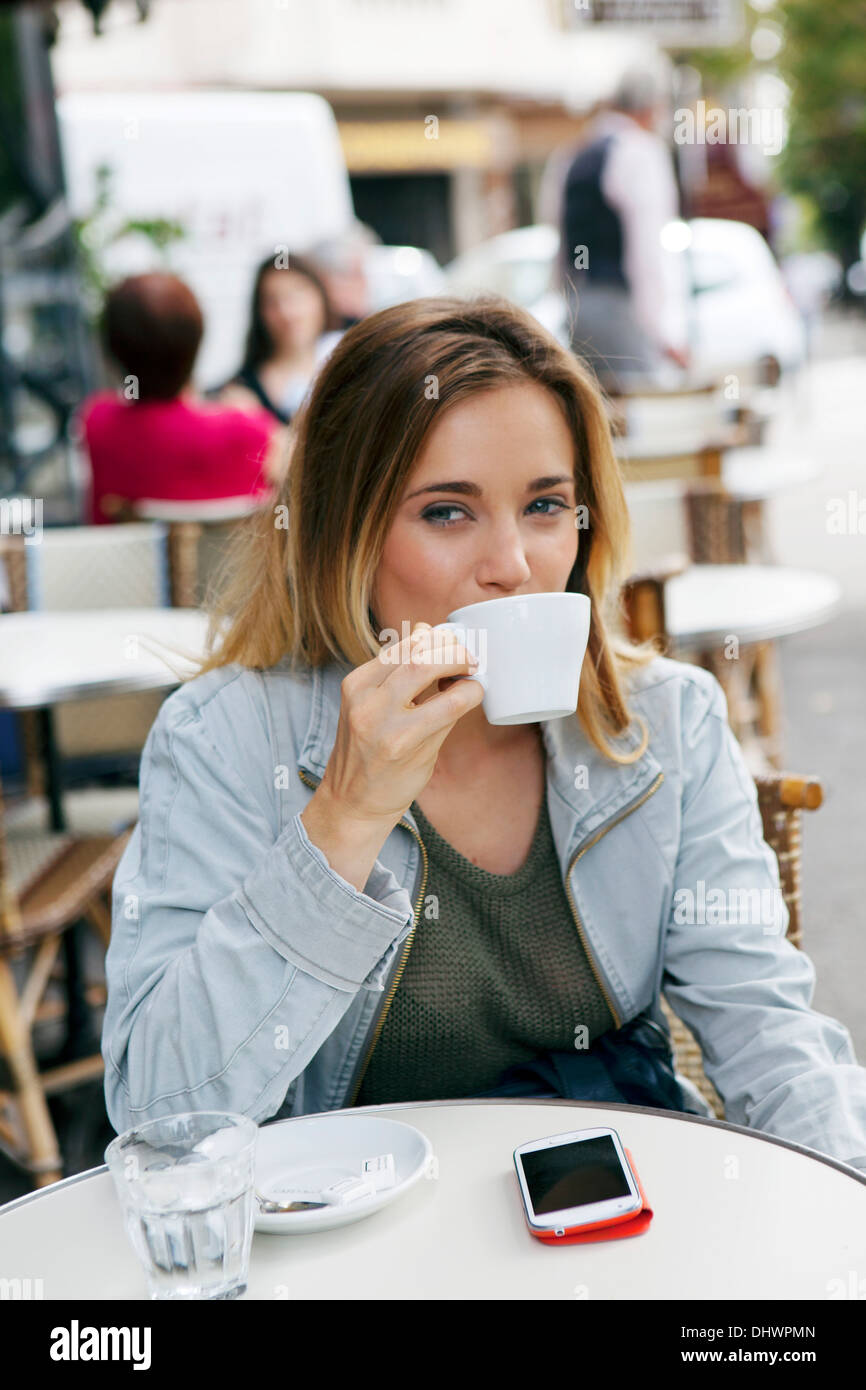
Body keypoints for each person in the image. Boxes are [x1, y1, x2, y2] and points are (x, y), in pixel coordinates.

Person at [102, 295, 866, 1175]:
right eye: (446, 512)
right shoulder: (225, 740)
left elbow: (773, 1038)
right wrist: (342, 824)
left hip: (617, 1205)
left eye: (546, 505)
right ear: (343, 530)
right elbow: (162, 1116)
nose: (513, 564)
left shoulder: (667, 723)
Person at [80, 273, 284, 524]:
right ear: (197, 339)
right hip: (230, 565)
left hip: (134, 564)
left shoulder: (98, 424)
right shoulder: (248, 431)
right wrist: (252, 415)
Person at [551, 64, 691, 392]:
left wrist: (565, 304)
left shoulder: (571, 155)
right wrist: (663, 333)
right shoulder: (639, 153)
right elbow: (646, 254)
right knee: (640, 420)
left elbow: (559, 241)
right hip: (620, 308)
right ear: (651, 107)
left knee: (595, 418)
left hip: (578, 308)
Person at [218, 252, 343, 426]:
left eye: (296, 295)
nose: (287, 312)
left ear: (320, 295)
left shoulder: (348, 364)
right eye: (272, 301)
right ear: (260, 313)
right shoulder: (241, 391)